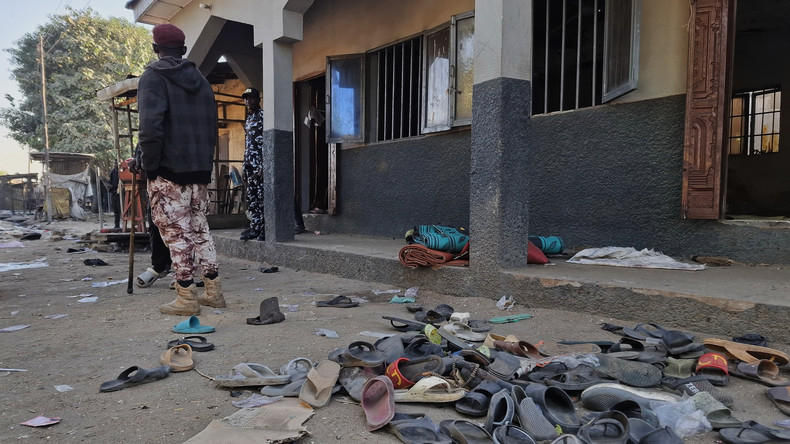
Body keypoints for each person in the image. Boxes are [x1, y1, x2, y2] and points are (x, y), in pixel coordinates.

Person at [137, 23, 224, 315]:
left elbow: (150, 129)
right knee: (200, 231)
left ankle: (186, 297)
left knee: (176, 234)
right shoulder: (202, 81)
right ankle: (213, 292)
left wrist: (150, 168)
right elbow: (212, 128)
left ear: (155, 48)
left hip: (169, 170)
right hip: (198, 171)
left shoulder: (153, 76)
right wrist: (204, 167)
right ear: (184, 49)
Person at [240, 87, 265, 241]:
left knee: (262, 200)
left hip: (259, 166)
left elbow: (268, 143)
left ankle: (264, 230)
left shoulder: (264, 117)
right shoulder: (249, 119)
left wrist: (263, 165)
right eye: (246, 99)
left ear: (258, 99)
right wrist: (244, 167)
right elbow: (247, 144)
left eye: (251, 98)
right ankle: (255, 228)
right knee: (252, 200)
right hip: (249, 165)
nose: (248, 101)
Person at [108, 163, 121, 230]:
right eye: (114, 163)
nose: (115, 165)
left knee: (120, 208)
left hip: (120, 192)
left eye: (116, 163)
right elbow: (110, 181)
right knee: (116, 209)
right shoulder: (112, 172)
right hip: (114, 192)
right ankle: (117, 225)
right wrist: (110, 186)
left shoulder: (121, 171)